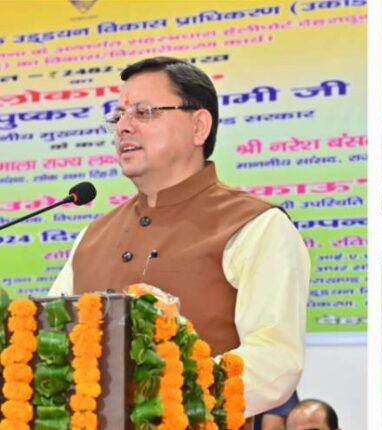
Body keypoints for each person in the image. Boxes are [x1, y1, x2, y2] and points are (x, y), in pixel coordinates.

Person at [48, 57, 310, 419]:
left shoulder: (257, 225)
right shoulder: (91, 237)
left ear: (198, 126)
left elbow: (274, 360)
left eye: (143, 113)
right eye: (118, 116)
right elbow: (48, 345)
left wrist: (163, 396)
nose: (123, 127)